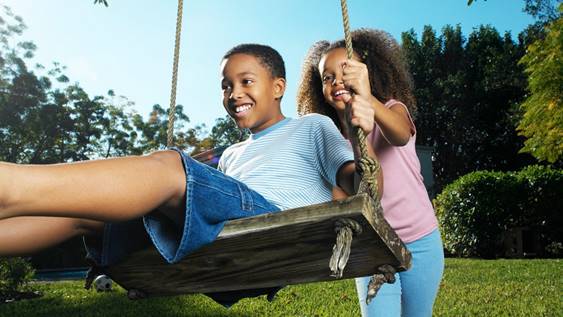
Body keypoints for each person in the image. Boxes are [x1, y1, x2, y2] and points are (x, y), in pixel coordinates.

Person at [0, 44, 380, 279]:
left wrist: (362, 138)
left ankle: (10, 184)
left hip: (273, 220)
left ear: (278, 87)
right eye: (226, 86)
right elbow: (212, 201)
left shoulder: (312, 126)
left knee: (171, 167)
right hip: (217, 233)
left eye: (246, 81)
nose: (234, 94)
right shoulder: (231, 154)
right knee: (85, 217)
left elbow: (361, 188)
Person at [296, 28, 444, 317]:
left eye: (347, 72)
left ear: (366, 73)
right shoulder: (330, 141)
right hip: (371, 246)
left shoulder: (391, 108)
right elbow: (356, 197)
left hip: (420, 239)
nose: (338, 81)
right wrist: (353, 135)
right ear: (320, 89)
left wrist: (368, 101)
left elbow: (400, 135)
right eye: (328, 77)